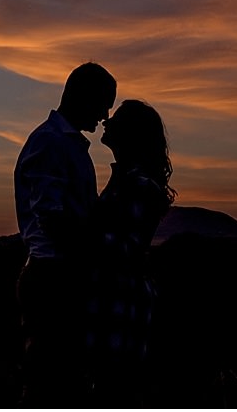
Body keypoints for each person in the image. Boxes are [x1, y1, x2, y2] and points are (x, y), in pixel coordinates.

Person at [14, 62, 117, 405]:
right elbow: (52, 217)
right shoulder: (51, 143)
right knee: (50, 379)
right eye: (104, 104)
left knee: (65, 376)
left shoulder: (66, 144)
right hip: (53, 275)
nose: (105, 115)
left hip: (60, 273)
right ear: (83, 97)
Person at [84, 99, 177, 405]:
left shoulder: (137, 185)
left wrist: (75, 231)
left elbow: (127, 248)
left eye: (117, 119)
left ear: (131, 134)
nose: (107, 121)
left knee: (113, 391)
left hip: (120, 303)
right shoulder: (126, 180)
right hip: (113, 300)